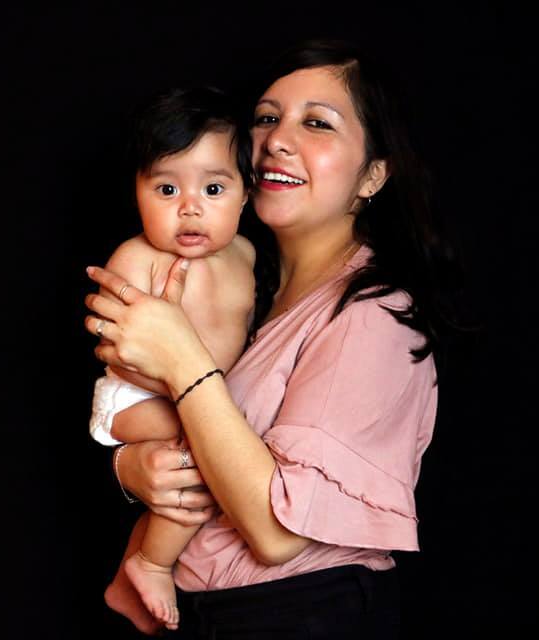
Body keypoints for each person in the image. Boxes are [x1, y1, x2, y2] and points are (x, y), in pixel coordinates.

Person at [85, 38, 464, 639]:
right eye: (266, 118)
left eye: (317, 123)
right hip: (206, 615)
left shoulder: (375, 313)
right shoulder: (242, 279)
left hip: (303, 614)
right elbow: (196, 439)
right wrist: (130, 469)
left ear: (373, 174)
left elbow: (277, 532)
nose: (277, 141)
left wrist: (180, 357)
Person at [88, 86, 256, 632]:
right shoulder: (136, 259)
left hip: (197, 395)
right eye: (166, 188)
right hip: (137, 394)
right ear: (137, 192)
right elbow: (118, 353)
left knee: (213, 457)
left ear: (245, 195)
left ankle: (128, 581)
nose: (190, 207)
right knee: (202, 456)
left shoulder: (247, 255)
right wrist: (185, 393)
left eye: (214, 188)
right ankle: (151, 564)